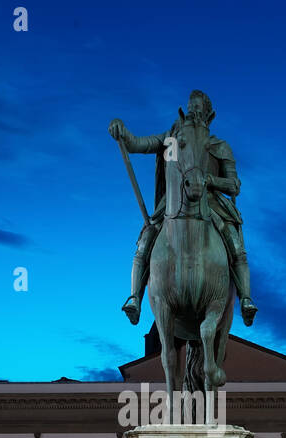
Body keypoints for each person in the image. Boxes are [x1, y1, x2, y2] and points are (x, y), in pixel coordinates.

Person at [109, 90, 256, 328]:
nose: (193, 112)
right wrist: (122, 132)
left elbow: (234, 185)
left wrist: (210, 180)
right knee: (146, 238)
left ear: (209, 114)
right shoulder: (173, 141)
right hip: (174, 203)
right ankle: (135, 297)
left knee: (235, 243)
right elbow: (138, 144)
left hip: (211, 203)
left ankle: (246, 299)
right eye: (190, 107)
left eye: (198, 108)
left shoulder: (220, 146)